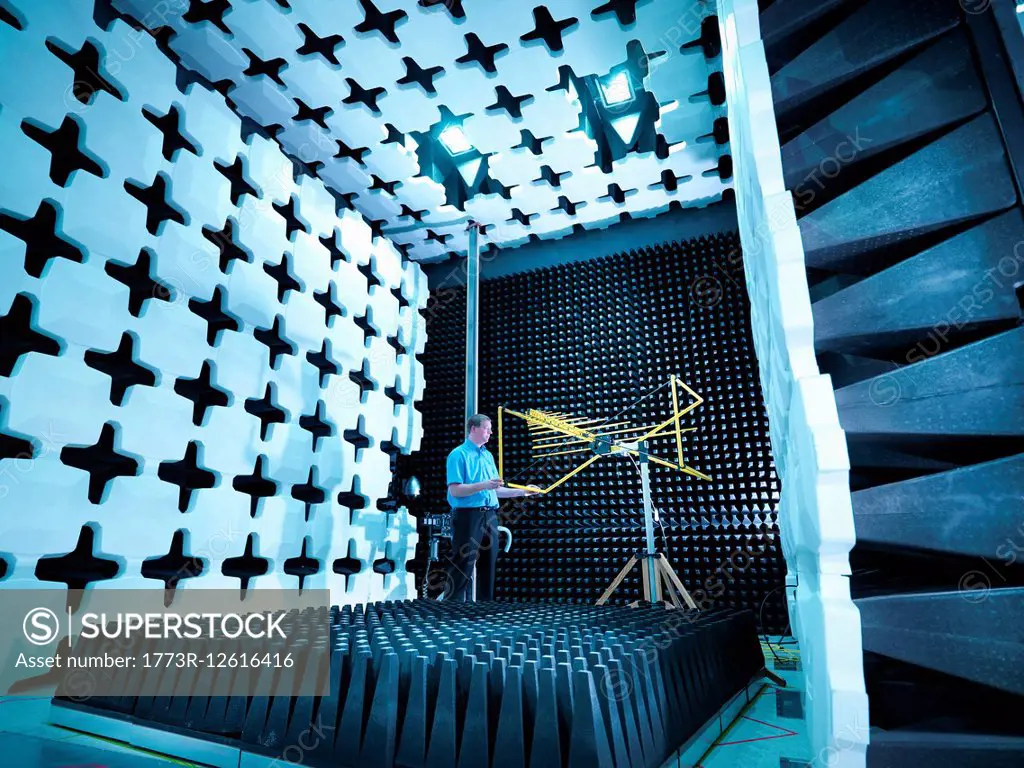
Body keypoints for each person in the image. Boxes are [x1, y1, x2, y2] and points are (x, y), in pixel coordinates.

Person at [443, 413, 539, 601]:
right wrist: (484, 485)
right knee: (463, 564)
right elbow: (455, 490)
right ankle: (451, 610)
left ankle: (484, 608)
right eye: (487, 429)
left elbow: (496, 490)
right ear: (474, 429)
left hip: (490, 516)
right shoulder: (458, 455)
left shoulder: (487, 456)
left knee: (489, 564)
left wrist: (523, 492)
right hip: (468, 516)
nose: (490, 432)